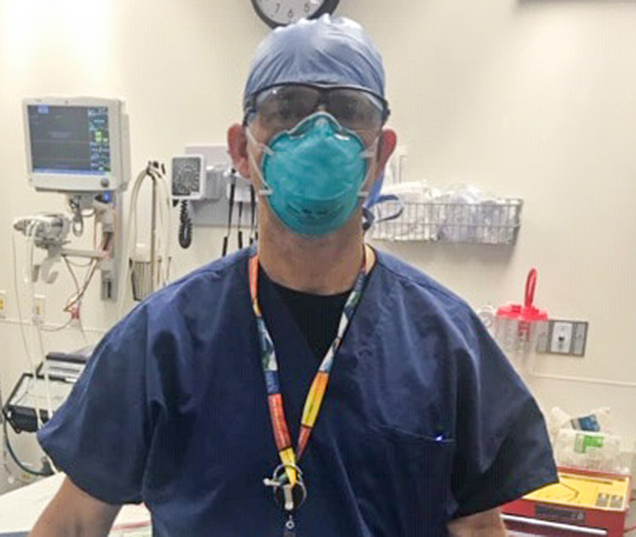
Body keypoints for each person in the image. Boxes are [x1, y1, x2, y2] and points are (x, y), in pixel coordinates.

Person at [31, 15, 557, 537]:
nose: (320, 135)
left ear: (380, 155)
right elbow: (74, 522)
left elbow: (478, 528)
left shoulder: (447, 343)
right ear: (242, 150)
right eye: (289, 110)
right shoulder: (161, 341)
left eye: (350, 112)